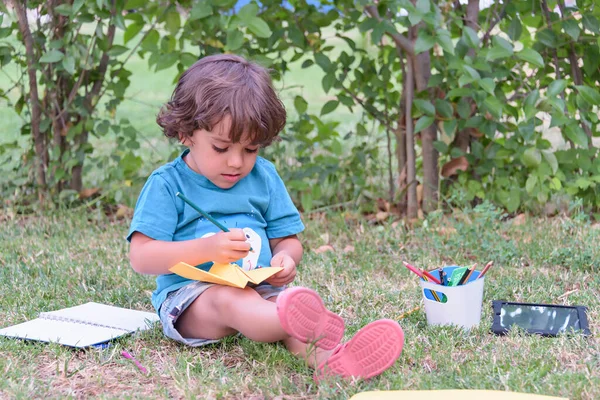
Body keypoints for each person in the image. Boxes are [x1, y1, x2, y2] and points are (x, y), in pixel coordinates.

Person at [127, 54, 404, 380]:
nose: (236, 162)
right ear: (186, 133)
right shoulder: (168, 184)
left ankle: (332, 364)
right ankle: (292, 323)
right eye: (221, 148)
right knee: (231, 299)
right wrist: (206, 250)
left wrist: (286, 259)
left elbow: (287, 240)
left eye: (251, 149)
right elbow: (141, 257)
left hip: (259, 288)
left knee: (283, 303)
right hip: (192, 298)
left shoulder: (264, 177)